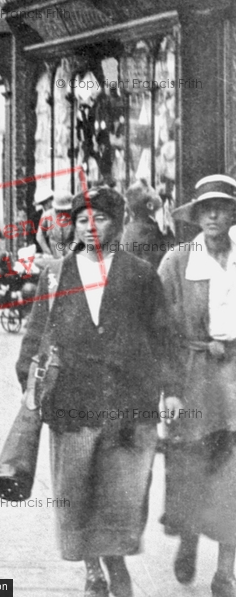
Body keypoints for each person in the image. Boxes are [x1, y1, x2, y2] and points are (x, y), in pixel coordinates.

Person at [15, 186, 173, 597]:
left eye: (99, 218)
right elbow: (36, 333)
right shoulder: (56, 272)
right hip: (72, 398)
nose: (90, 226)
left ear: (116, 223)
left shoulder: (139, 274)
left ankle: (115, 560)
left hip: (128, 402)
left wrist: (169, 389)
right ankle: (93, 569)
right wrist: (29, 384)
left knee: (122, 491)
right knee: (78, 488)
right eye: (82, 219)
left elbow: (162, 337)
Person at [159, 174, 236, 597]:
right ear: (195, 214)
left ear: (232, 214)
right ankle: (188, 539)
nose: (213, 214)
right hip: (192, 377)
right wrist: (169, 389)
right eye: (206, 207)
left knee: (234, 475)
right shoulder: (177, 262)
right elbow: (159, 330)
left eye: (221, 207)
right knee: (189, 468)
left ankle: (225, 571)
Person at [122, 178, 174, 269]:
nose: (155, 191)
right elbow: (163, 258)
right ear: (149, 205)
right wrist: (170, 227)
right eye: (149, 190)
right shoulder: (147, 230)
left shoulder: (134, 226)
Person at [36, 190, 74, 258]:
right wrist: (47, 252)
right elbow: (40, 236)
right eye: (59, 211)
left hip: (71, 252)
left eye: (66, 211)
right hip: (54, 253)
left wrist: (71, 253)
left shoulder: (74, 216)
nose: (63, 213)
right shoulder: (47, 215)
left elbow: (78, 236)